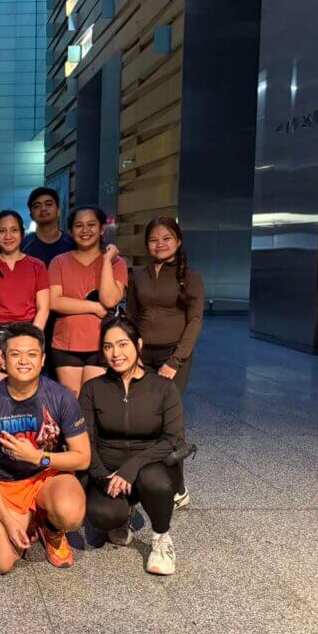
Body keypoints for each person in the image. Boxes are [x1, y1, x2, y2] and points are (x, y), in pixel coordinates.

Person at [0, 323, 91, 573]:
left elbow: (82, 458)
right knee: (0, 564)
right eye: (15, 354)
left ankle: (51, 526)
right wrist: (6, 518)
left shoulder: (61, 397)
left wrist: (38, 457)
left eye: (32, 354)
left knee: (71, 514)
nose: (24, 361)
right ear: (3, 359)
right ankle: (27, 517)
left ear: (43, 359)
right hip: (8, 484)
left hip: (48, 477)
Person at [79, 316, 184, 576]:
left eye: (122, 344)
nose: (115, 353)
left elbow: (173, 439)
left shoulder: (163, 387)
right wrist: (102, 476)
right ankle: (122, 514)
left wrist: (132, 466)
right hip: (109, 469)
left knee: (155, 482)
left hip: (151, 465)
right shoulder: (93, 389)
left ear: (138, 344)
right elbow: (85, 439)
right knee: (102, 515)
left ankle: (161, 538)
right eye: (108, 346)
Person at [126, 216, 203, 510]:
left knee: (168, 420)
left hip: (174, 355)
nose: (160, 244)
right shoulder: (139, 275)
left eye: (166, 238)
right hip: (142, 355)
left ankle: (178, 488)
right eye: (154, 239)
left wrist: (175, 360)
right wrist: (132, 353)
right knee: (143, 418)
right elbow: (131, 316)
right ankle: (144, 480)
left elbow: (195, 321)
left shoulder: (190, 276)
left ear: (178, 241)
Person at [48, 206, 127, 397]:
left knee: (95, 400)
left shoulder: (117, 263)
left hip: (102, 343)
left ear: (102, 229)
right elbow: (54, 302)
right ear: (70, 231)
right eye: (78, 226)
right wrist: (94, 307)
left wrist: (106, 260)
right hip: (66, 344)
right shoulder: (58, 262)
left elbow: (109, 299)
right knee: (72, 402)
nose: (85, 230)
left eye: (91, 224)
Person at [0, 211, 50, 389]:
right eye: (2, 231)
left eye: (14, 230)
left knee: (27, 396)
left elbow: (43, 308)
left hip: (29, 334)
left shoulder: (38, 266)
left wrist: (31, 341)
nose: (8, 236)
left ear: (22, 234)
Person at [21, 187, 75, 267]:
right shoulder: (23, 246)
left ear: (58, 211)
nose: (43, 209)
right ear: (31, 215)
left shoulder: (72, 244)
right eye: (37, 206)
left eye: (49, 204)